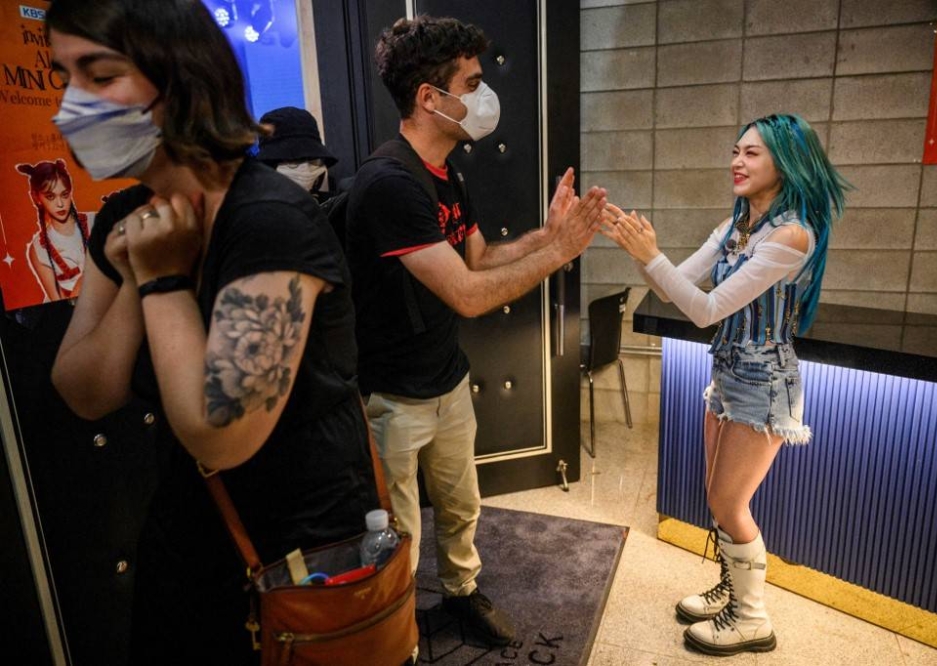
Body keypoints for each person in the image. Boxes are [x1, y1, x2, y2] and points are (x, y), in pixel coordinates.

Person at [46, 1, 379, 664]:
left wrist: (162, 277)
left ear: (181, 80)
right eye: (64, 77)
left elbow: (221, 433)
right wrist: (140, 275)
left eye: (99, 75)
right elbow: (81, 389)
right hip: (190, 533)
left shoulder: (269, 220)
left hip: (304, 550)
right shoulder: (126, 215)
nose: (69, 106)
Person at [346, 15, 606, 647]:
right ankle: (395, 634)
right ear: (429, 98)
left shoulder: (446, 173)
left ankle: (462, 593)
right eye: (471, 82)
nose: (485, 95)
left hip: (447, 380)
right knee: (398, 533)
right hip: (393, 395)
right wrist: (560, 254)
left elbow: (479, 259)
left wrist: (547, 236)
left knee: (461, 506)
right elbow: (466, 295)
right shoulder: (389, 183)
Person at [601, 114, 848, 656]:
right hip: (728, 372)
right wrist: (642, 254)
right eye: (736, 151)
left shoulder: (791, 234)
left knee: (729, 503)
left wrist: (650, 256)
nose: (737, 161)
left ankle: (752, 619)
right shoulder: (737, 224)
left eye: (752, 153)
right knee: (718, 500)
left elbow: (706, 310)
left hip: (765, 383)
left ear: (786, 162)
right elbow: (678, 286)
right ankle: (732, 591)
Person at [16, 159, 91, 301]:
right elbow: (58, 303)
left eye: (64, 194)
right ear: (36, 197)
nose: (60, 204)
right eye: (50, 196)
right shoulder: (39, 248)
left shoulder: (96, 221)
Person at [256, 106, 338, 201]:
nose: (306, 168)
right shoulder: (252, 206)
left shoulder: (333, 203)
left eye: (313, 160)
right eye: (293, 161)